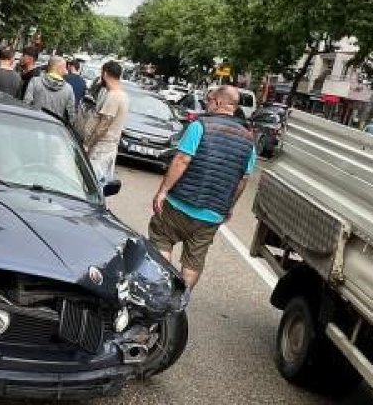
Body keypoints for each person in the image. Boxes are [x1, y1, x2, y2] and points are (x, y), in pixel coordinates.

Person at [149, 85, 257, 290]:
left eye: (208, 100)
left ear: (218, 102)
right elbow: (243, 179)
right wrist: (229, 207)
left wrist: (163, 191)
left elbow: (182, 159)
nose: (206, 104)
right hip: (212, 214)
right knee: (194, 261)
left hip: (179, 204)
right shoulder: (248, 139)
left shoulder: (200, 126)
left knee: (161, 238)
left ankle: (159, 289)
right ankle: (180, 301)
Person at [81, 61, 129, 183]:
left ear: (105, 73)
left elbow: (104, 125)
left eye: (101, 73)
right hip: (108, 148)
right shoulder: (123, 95)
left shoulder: (113, 96)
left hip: (101, 149)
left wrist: (87, 145)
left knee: (90, 183)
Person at [24, 56, 77, 123]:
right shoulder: (69, 89)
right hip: (53, 128)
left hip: (33, 123)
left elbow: (26, 103)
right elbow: (71, 115)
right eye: (64, 68)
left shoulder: (35, 81)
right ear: (59, 69)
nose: (65, 71)